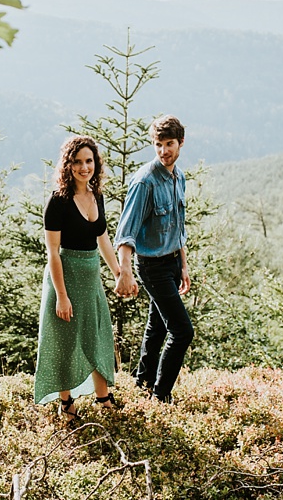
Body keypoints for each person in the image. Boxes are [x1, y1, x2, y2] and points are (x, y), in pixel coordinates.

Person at [34, 134, 122, 418]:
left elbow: (104, 240)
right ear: (67, 165)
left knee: (97, 335)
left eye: (89, 161)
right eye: (77, 162)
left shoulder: (97, 196)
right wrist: (61, 295)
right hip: (65, 279)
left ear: (96, 163)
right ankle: (66, 403)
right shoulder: (57, 202)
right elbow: (53, 253)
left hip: (90, 279)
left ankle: (103, 398)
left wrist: (119, 273)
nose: (84, 167)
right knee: (65, 340)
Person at [115, 118, 193, 403]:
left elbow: (179, 226)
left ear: (181, 143)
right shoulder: (145, 181)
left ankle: (143, 383)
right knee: (182, 331)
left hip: (172, 263)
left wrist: (183, 264)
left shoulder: (179, 177)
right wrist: (125, 272)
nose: (163, 151)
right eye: (158, 145)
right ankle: (161, 397)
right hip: (151, 266)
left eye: (169, 144)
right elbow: (126, 232)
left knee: (158, 327)